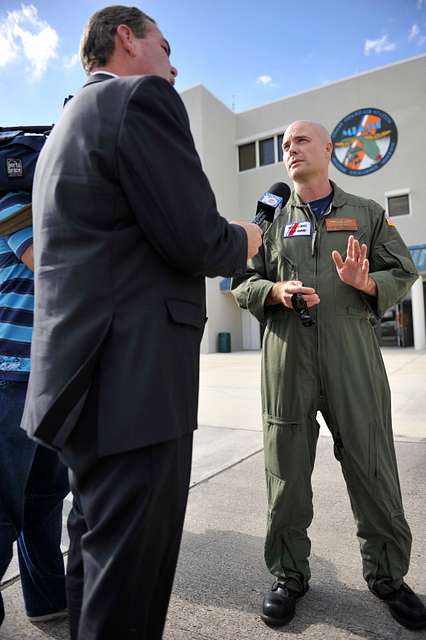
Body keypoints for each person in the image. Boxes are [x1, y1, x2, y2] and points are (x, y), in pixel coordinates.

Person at [20, 5, 262, 640]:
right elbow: (195, 238)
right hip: (136, 381)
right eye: (166, 44)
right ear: (125, 37)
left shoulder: (63, 126)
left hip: (83, 378)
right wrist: (246, 237)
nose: (173, 65)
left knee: (94, 559)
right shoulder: (141, 99)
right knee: (130, 579)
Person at [232, 120, 426, 631]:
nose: (290, 150)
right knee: (286, 474)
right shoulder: (268, 221)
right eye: (284, 145)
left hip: (352, 359)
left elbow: (403, 271)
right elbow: (242, 282)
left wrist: (369, 283)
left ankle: (387, 577)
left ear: (330, 149)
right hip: (287, 360)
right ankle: (288, 576)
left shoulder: (367, 213)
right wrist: (274, 293)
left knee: (373, 468)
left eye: (300, 140)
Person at [0, 192, 69, 627]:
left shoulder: (53, 209)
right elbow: (49, 266)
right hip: (9, 374)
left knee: (44, 498)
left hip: (49, 379)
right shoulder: (10, 202)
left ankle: (46, 600)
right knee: (3, 505)